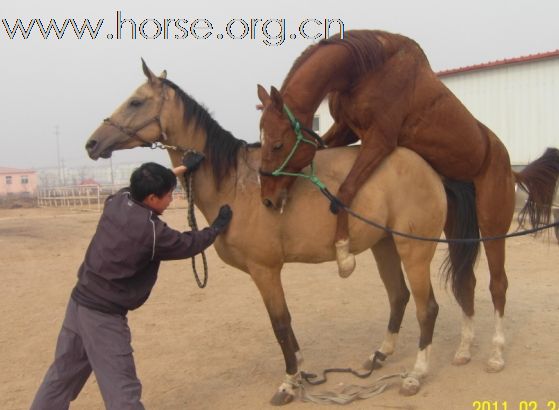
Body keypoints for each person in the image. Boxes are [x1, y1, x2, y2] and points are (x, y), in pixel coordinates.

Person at [30, 154, 232, 410]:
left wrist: (182, 169)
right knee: (122, 392)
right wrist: (216, 227)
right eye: (169, 194)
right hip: (103, 316)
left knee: (62, 376)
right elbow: (189, 243)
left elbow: (144, 184)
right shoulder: (152, 233)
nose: (171, 199)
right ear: (152, 199)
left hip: (78, 302)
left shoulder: (118, 200)